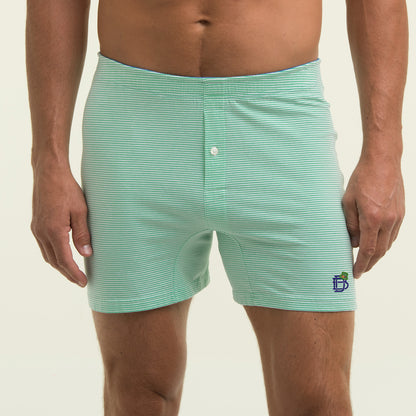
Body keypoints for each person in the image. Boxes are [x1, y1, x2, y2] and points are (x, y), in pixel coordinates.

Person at [26, 0, 408, 415]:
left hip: (284, 126)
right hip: (134, 127)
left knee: (318, 399)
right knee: (138, 396)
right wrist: (48, 161)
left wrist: (384, 154)